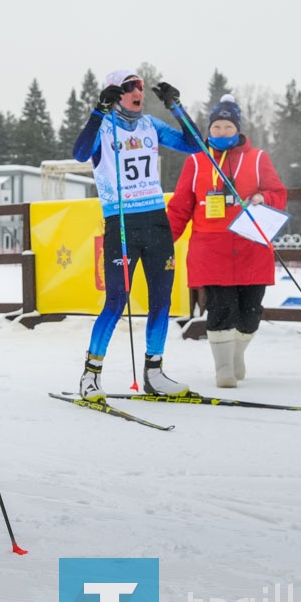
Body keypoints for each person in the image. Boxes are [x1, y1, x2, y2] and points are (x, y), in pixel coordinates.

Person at [72, 70, 202, 401]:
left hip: (156, 221)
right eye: (130, 87)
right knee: (117, 301)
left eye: (141, 87)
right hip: (122, 222)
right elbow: (79, 153)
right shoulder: (103, 126)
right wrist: (98, 110)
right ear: (117, 94)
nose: (138, 92)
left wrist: (176, 107)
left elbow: (195, 146)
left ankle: (155, 373)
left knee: (162, 300)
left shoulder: (149, 126)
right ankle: (90, 376)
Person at [166, 94, 287, 387]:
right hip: (211, 249)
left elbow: (278, 194)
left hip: (251, 247)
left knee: (250, 312)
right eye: (217, 127)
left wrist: (263, 197)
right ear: (209, 129)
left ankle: (236, 354)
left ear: (238, 129)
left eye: (228, 127)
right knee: (221, 308)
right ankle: (223, 369)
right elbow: (181, 207)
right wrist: (165, 241)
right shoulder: (195, 163)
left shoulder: (258, 159)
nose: (222, 132)